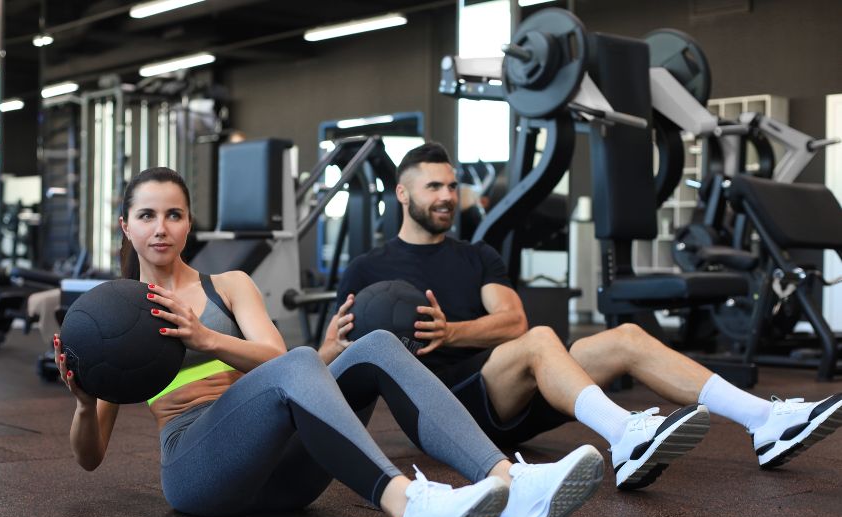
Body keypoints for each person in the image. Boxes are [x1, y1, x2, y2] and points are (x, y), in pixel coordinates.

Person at [58, 166, 605, 517]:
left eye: (173, 214)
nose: (161, 228)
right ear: (125, 225)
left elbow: (276, 360)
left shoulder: (228, 286)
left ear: (189, 223)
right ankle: (407, 510)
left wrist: (205, 338)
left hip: (286, 475)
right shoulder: (118, 318)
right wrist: (85, 402)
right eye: (147, 215)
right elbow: (89, 459)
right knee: (301, 362)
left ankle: (514, 486)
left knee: (377, 346)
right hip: (200, 474)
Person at [330, 142, 842, 489]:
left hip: (504, 391)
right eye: (432, 188)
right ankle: (624, 436)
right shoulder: (367, 268)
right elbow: (336, 359)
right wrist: (332, 342)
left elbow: (512, 322)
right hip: (440, 413)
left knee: (625, 337)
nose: (446, 197)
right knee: (543, 340)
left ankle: (764, 421)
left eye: (451, 186)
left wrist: (453, 330)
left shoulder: (475, 254)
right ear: (402, 194)